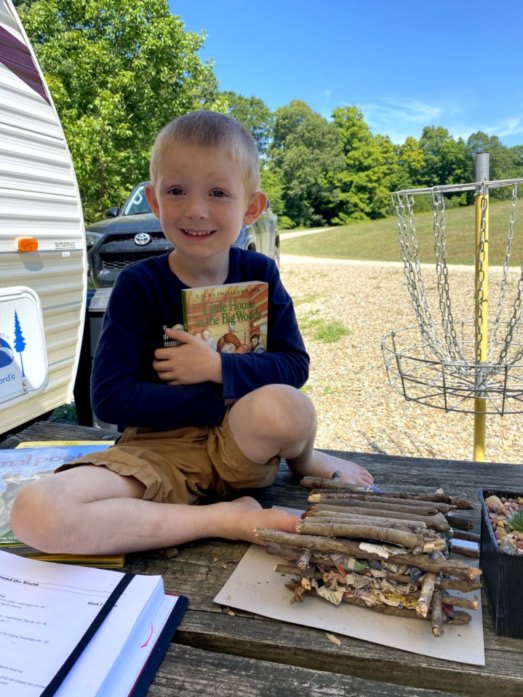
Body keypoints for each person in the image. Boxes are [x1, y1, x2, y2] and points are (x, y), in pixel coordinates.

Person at [10, 110, 373, 556]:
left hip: (244, 446)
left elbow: (294, 366)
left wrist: (217, 367)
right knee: (35, 511)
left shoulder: (259, 273)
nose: (196, 209)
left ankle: (304, 463)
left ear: (251, 208)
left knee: (288, 406)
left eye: (219, 192)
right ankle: (223, 519)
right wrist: (214, 395)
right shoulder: (138, 285)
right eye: (177, 190)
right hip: (155, 450)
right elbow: (110, 400)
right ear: (155, 201)